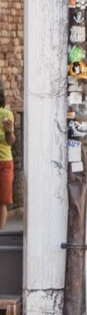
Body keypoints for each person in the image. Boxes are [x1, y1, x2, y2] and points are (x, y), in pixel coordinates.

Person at [0, 91, 14, 230]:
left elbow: (10, 142)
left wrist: (9, 132)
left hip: (4, 162)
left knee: (2, 201)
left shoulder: (6, 114)